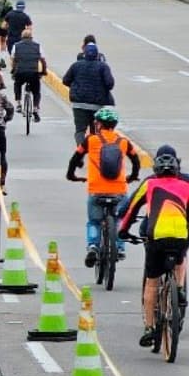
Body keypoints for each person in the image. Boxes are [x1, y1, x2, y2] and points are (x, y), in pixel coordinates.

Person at [119, 145, 189, 347]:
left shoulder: (150, 183)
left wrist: (123, 231)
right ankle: (179, 288)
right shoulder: (186, 184)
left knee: (151, 283)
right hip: (180, 236)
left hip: (156, 237)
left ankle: (149, 328)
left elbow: (130, 210)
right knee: (181, 256)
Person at [66, 107, 140, 267]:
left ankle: (93, 246)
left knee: (94, 221)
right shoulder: (123, 142)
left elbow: (75, 158)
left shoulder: (90, 140)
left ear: (98, 124)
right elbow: (136, 161)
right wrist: (133, 176)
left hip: (96, 190)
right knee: (119, 218)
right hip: (119, 190)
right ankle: (119, 247)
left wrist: (71, 175)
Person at [61, 42, 115, 142]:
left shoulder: (76, 65)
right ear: (97, 54)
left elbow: (65, 80)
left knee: (80, 131)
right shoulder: (103, 67)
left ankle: (80, 150)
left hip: (79, 104)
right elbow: (110, 84)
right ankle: (94, 149)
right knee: (96, 131)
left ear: (84, 54)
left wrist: (75, 87)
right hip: (97, 105)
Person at [10, 27, 46, 122]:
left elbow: (13, 60)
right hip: (34, 72)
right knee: (36, 91)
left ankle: (18, 103)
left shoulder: (16, 46)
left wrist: (13, 71)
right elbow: (42, 60)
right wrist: (43, 72)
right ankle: (35, 108)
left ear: (21, 37)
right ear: (31, 37)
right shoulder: (38, 46)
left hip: (20, 72)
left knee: (17, 84)